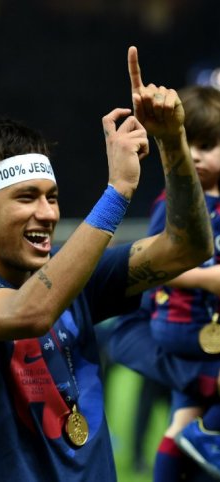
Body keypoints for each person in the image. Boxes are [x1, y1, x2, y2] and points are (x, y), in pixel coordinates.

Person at [0, 46, 214, 482]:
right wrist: (116, 193)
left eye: (52, 197)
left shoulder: (77, 278)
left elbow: (188, 248)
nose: (47, 213)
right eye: (27, 197)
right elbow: (28, 312)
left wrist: (173, 143)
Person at [109, 84, 220, 481]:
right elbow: (157, 264)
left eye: (207, 146)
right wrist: (208, 280)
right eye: (188, 144)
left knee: (181, 425)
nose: (194, 155)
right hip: (185, 326)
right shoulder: (176, 202)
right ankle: (207, 438)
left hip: (198, 329)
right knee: (191, 420)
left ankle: (196, 441)